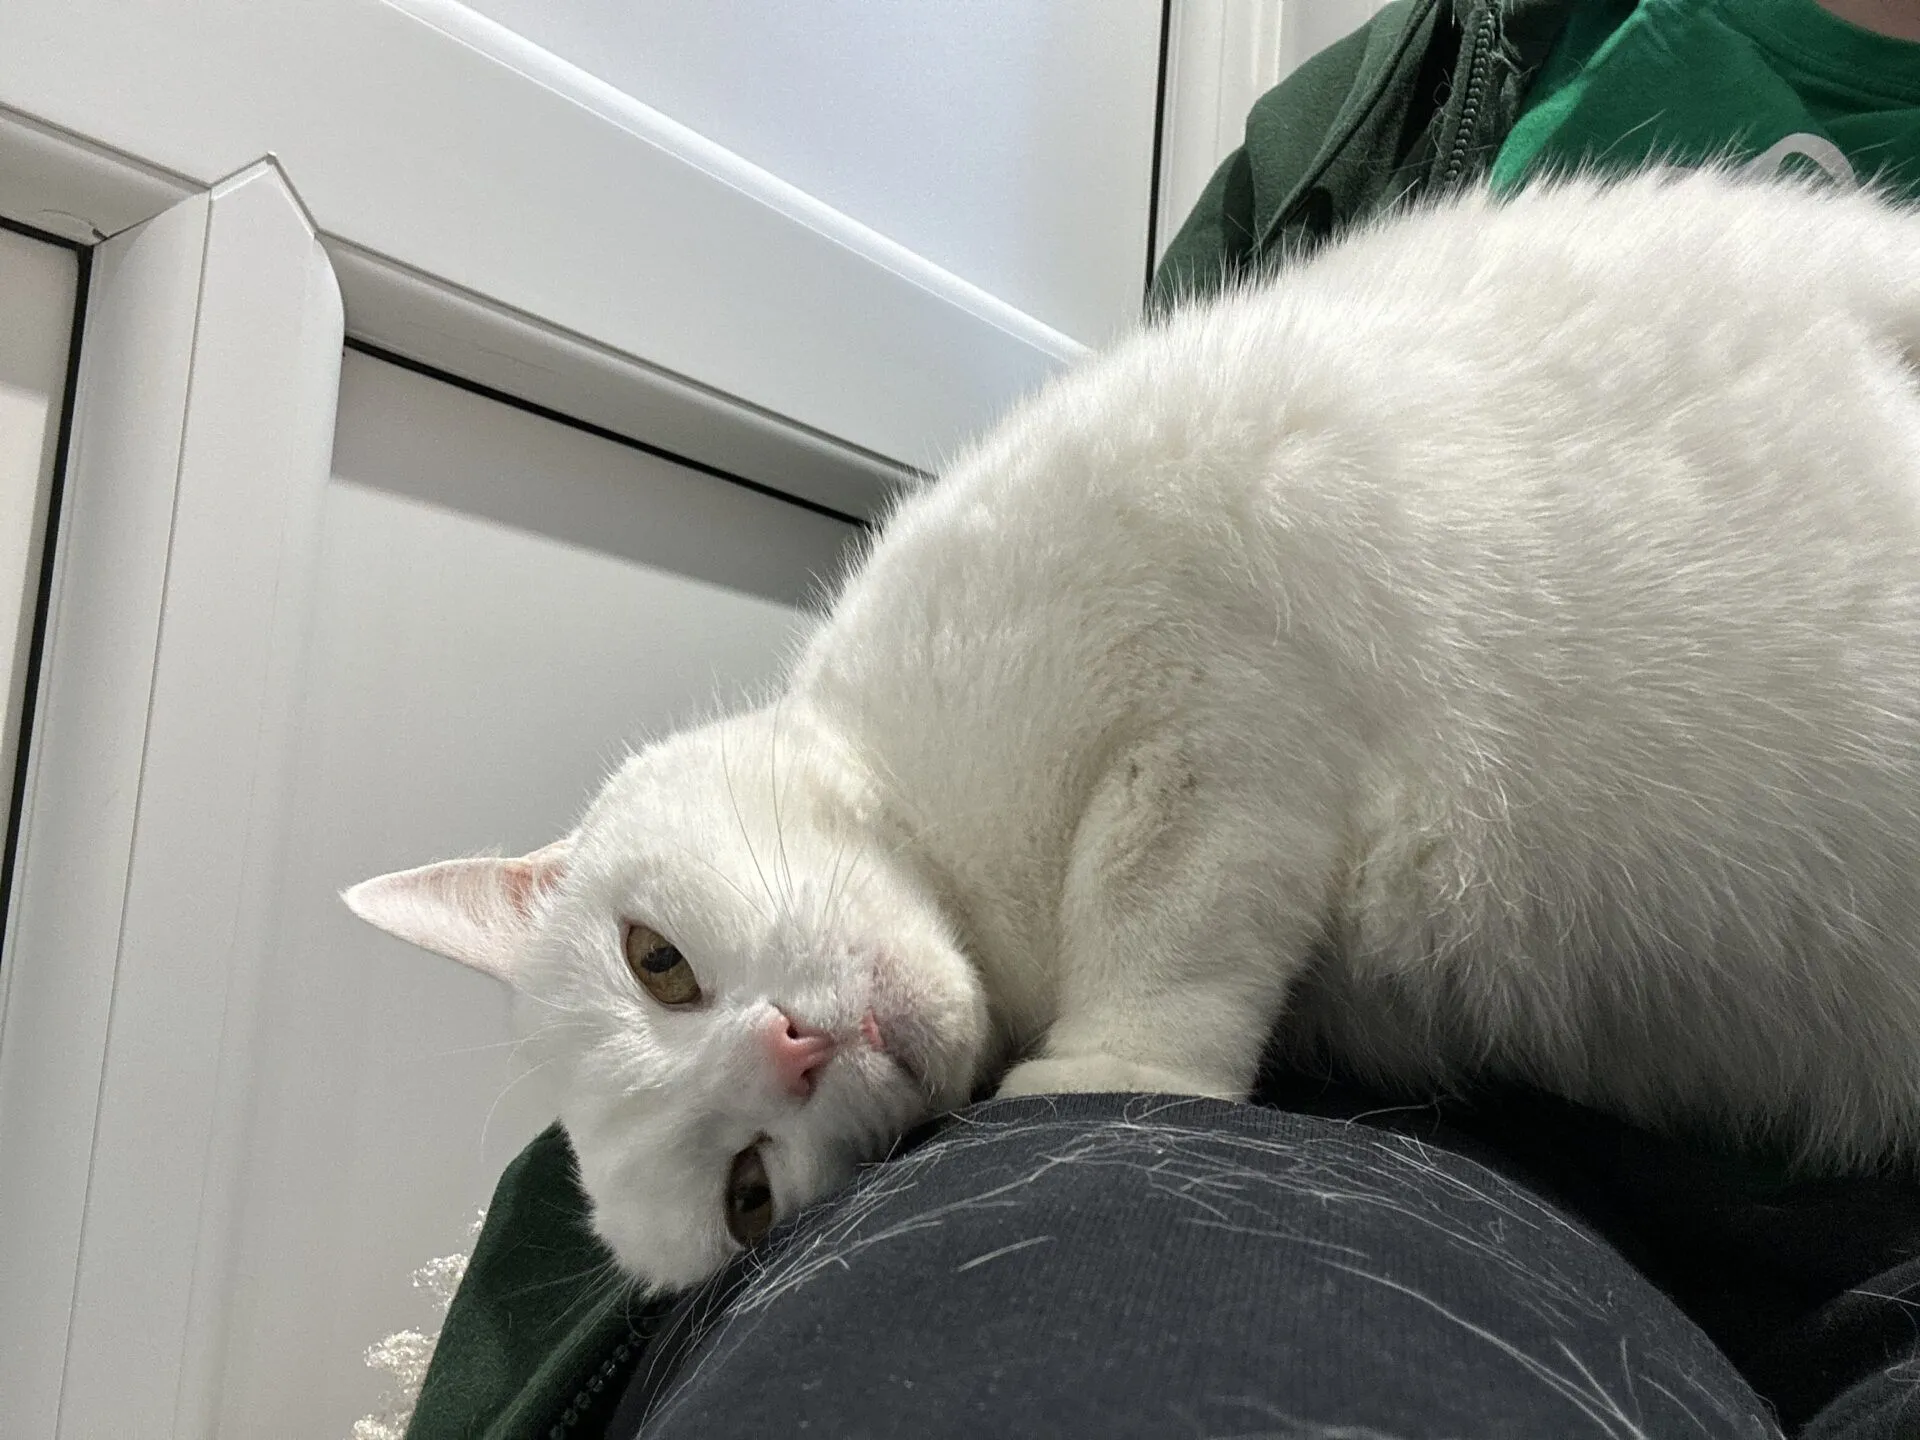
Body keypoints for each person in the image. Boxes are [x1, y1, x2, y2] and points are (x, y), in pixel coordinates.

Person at [402, 4, 1920, 1436]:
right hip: (1538, 1134)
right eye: (752, 1189)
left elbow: (1246, 486)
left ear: (585, 848)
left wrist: (1145, 1032)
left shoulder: (922, 665)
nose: (779, 1063)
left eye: (665, 965)